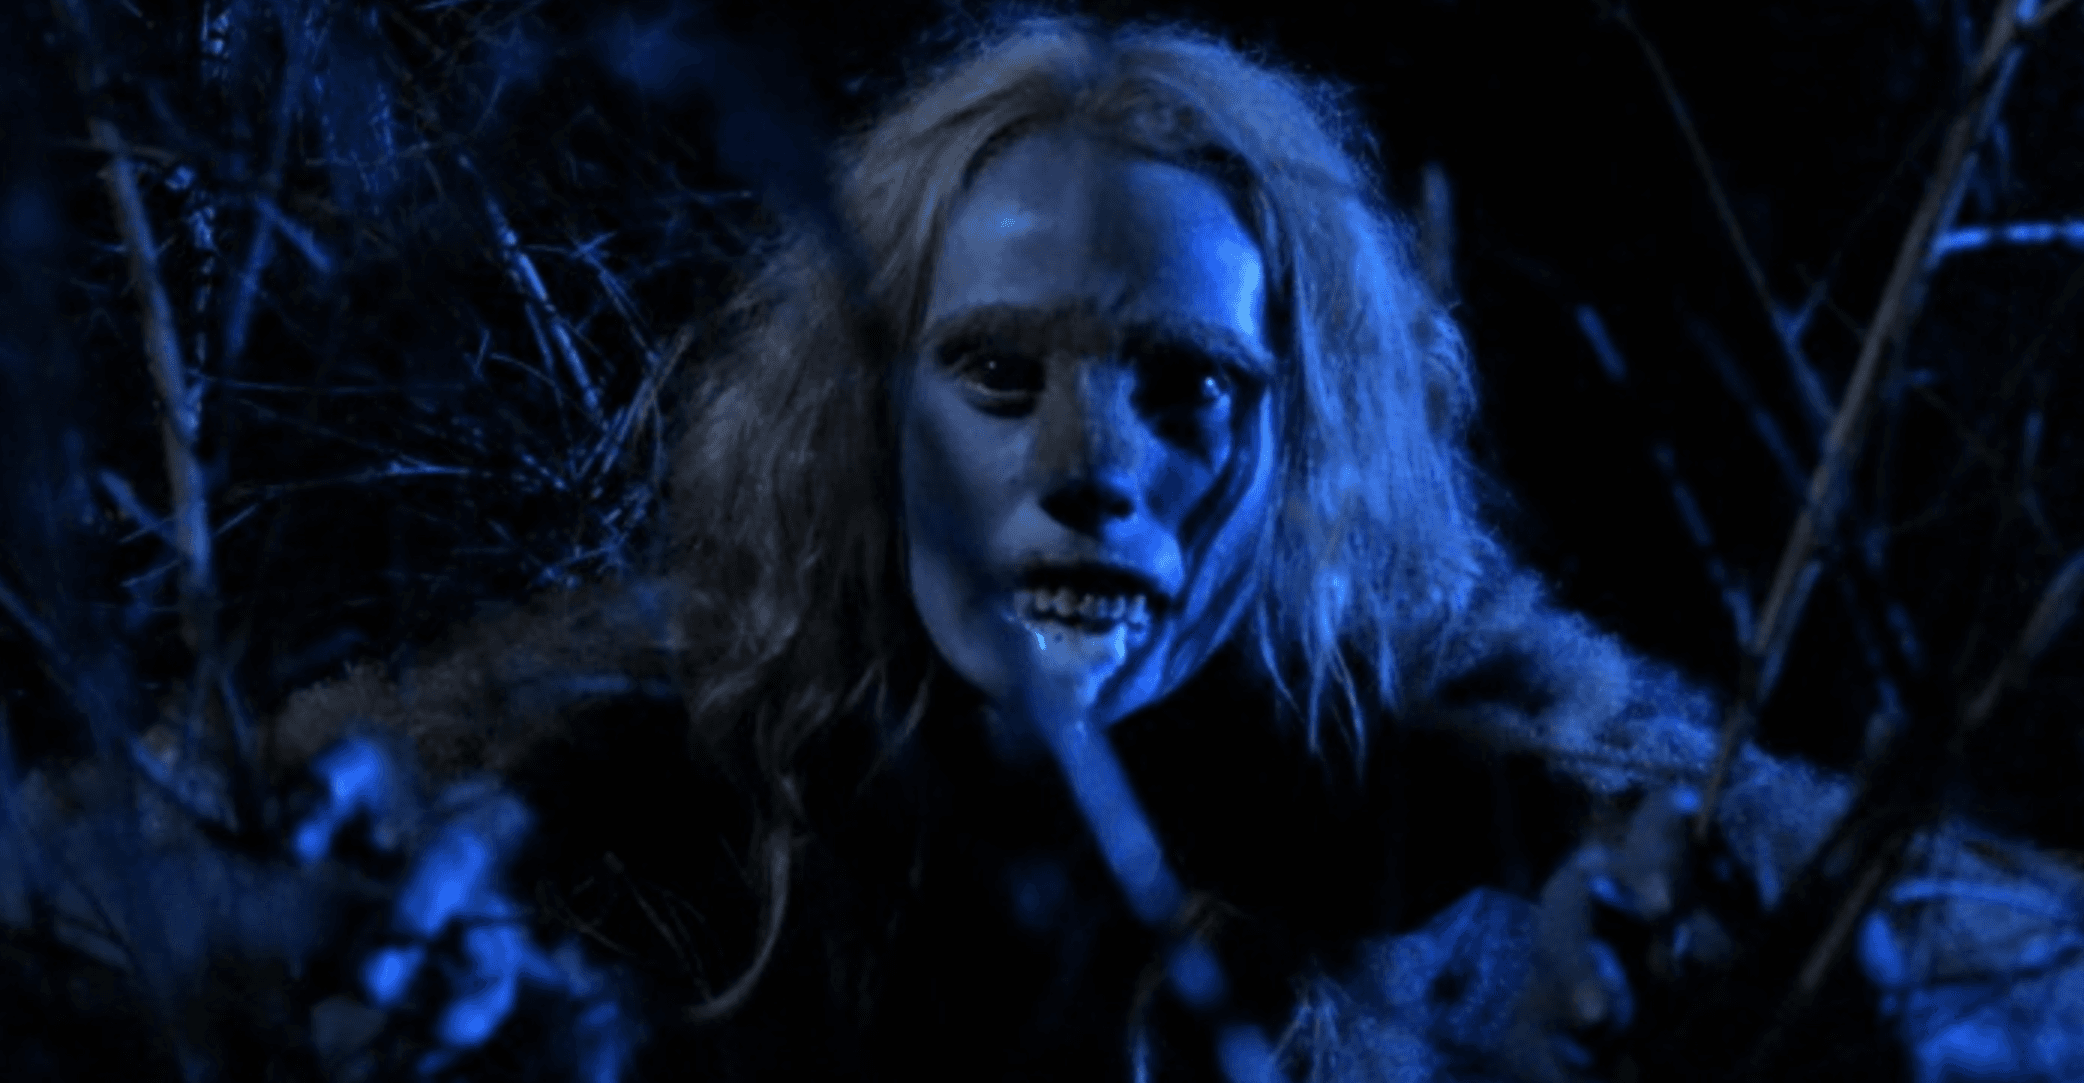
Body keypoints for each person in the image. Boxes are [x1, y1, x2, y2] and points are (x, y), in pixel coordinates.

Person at [8, 13, 2081, 1083]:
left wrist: (1824, 1005)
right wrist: (250, 931)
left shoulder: (1491, 786)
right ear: (865, 411)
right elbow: (81, 881)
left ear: (1306, 440)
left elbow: (2013, 963)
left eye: (1188, 388)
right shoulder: (642, 737)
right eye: (999, 374)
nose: (1092, 468)